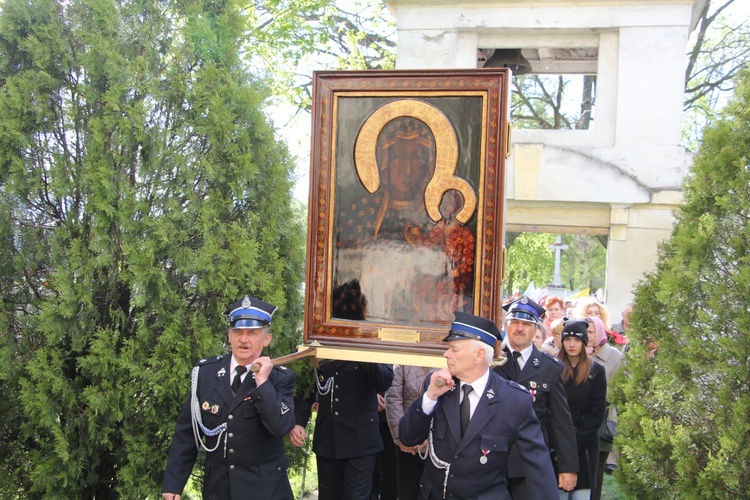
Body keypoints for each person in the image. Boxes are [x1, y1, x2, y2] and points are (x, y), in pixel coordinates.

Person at [399, 311, 559, 499]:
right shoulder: (437, 386)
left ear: (479, 355)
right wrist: (430, 396)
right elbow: (407, 437)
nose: (446, 354)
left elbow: (538, 466)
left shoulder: (514, 400)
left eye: (454, 349)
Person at [162, 296, 297, 500]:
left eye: (252, 333)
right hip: (218, 489)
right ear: (229, 336)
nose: (243, 339)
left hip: (264, 490)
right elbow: (187, 433)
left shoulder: (280, 378)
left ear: (266, 339)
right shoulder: (206, 373)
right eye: (238, 332)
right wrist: (173, 483)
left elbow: (281, 426)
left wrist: (262, 383)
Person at [290, 281, 395, 500]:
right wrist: (299, 421)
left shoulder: (372, 339)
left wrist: (361, 343)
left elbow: (384, 380)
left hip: (361, 442)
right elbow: (308, 388)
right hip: (328, 438)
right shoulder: (320, 340)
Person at [494, 297, 579, 498]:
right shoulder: (491, 362)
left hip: (530, 462)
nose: (519, 328)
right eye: (514, 322)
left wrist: (568, 467)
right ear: (506, 325)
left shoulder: (551, 367)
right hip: (493, 459)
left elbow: (561, 421)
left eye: (526, 324)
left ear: (535, 329)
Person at [557, 320, 608, 500]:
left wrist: (574, 445)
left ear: (584, 343)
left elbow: (597, 413)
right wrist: (561, 449)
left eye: (577, 340)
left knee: (581, 496)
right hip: (557, 445)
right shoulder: (553, 368)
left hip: (584, 445)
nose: (572, 344)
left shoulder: (596, 371)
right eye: (568, 339)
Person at [385, 364, 437, 499]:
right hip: (407, 448)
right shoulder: (404, 361)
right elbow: (393, 397)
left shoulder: (450, 361)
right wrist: (401, 436)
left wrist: (431, 438)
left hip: (438, 448)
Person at [588, 317, 624, 500]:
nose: (587, 336)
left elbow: (621, 389)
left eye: (591, 332)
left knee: (597, 470)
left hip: (603, 419)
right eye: (585, 331)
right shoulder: (579, 354)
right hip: (580, 419)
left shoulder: (615, 357)